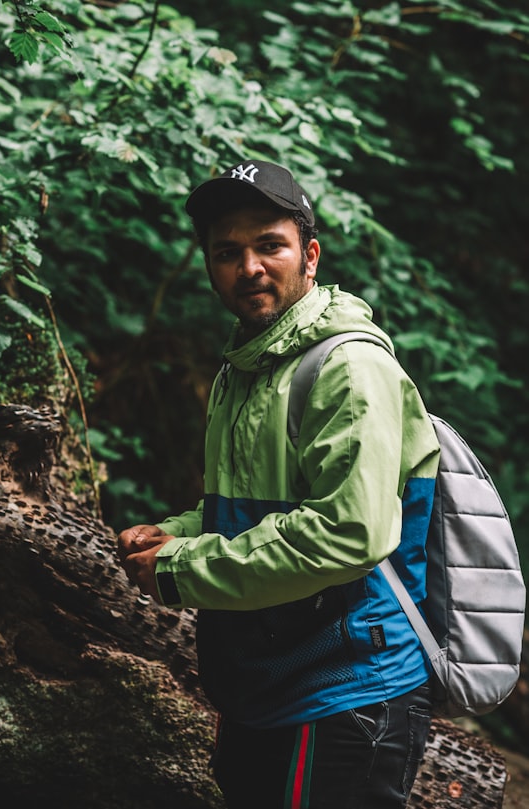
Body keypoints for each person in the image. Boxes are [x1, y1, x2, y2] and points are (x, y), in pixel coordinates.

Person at [117, 159, 440, 809]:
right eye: (228, 251)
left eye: (270, 245)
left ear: (309, 255)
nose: (250, 267)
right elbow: (254, 511)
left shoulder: (348, 367)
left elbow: (347, 533)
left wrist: (184, 566)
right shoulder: (247, 367)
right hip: (265, 689)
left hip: (346, 693)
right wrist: (178, 531)